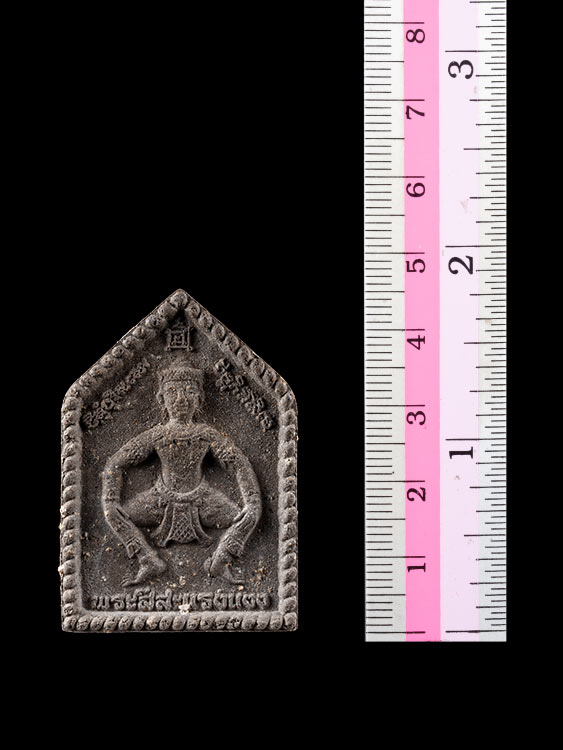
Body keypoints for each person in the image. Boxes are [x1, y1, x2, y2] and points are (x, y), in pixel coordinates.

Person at [101, 363, 262, 586]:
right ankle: (147, 559)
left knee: (250, 515)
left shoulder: (206, 435)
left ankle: (221, 559)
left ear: (199, 399)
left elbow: (238, 464)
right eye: (172, 392)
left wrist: (252, 500)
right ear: (161, 399)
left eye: (189, 391)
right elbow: (115, 464)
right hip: (159, 501)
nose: (181, 399)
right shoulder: (157, 435)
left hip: (203, 501)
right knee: (111, 513)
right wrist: (110, 499)